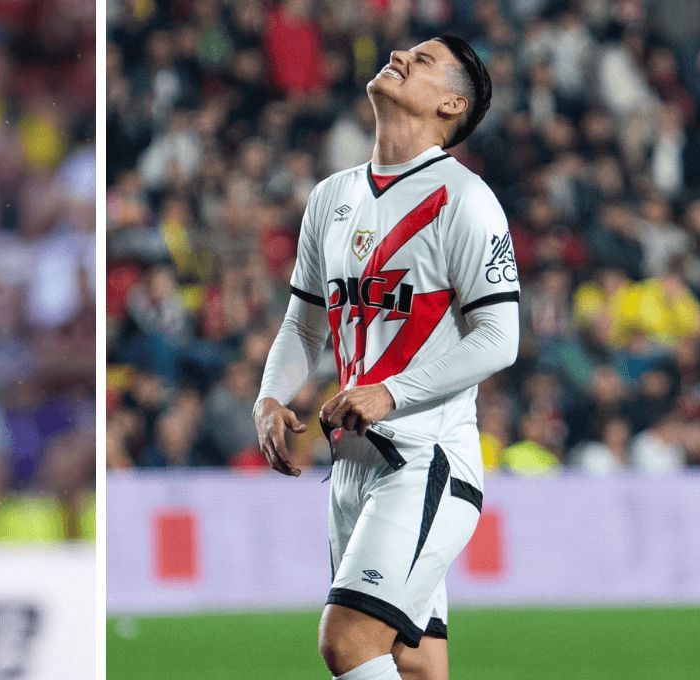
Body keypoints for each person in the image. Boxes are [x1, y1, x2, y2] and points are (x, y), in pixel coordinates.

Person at [253, 36, 518, 680]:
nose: (401, 55)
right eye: (407, 51)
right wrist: (269, 396)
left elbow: (499, 337)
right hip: (353, 467)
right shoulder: (331, 197)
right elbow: (304, 324)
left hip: (424, 461)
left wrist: (390, 392)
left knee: (346, 643)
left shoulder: (465, 200)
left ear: (452, 103)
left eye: (423, 60)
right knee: (416, 663)